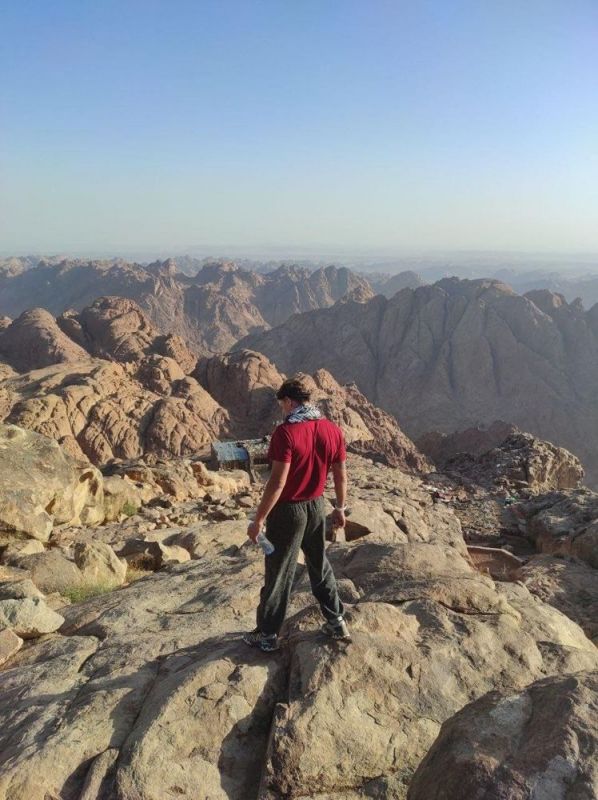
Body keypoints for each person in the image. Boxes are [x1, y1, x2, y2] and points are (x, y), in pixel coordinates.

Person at [243, 375, 351, 653]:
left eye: (282, 404)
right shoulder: (332, 429)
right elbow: (340, 474)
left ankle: (267, 634)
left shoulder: (285, 433)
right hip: (316, 506)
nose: (282, 409)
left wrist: (258, 519)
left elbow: (278, 482)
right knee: (319, 564)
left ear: (289, 402)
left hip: (288, 512)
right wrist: (340, 507)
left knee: (279, 571)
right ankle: (336, 620)